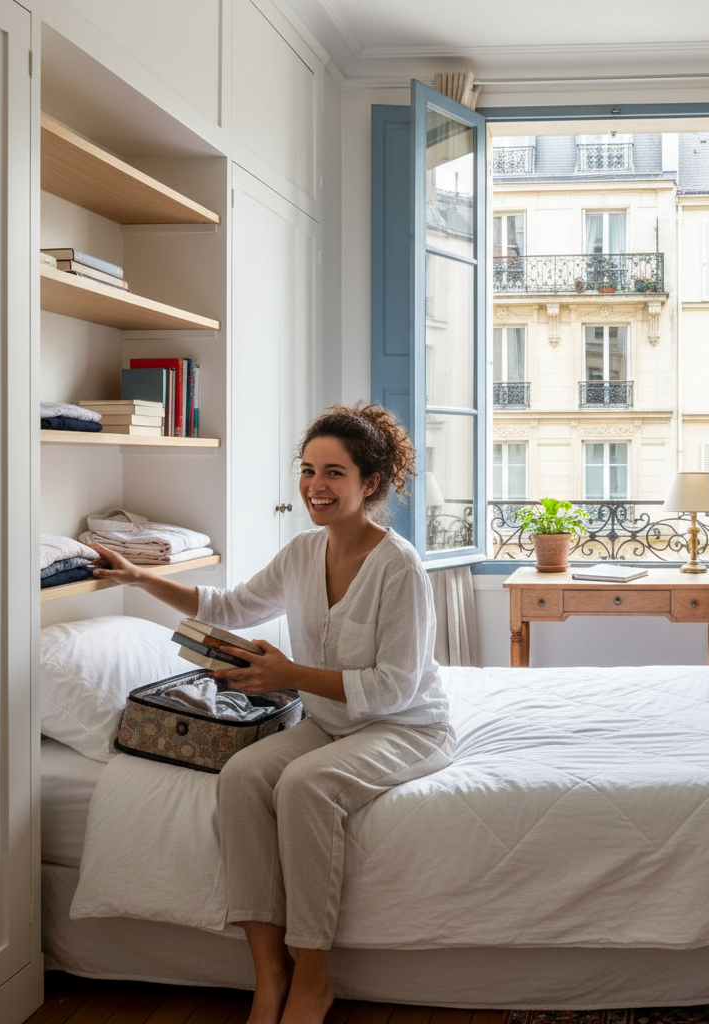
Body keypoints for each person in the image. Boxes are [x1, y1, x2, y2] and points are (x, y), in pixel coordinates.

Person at [88, 403, 454, 1024]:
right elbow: (227, 605)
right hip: (331, 724)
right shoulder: (302, 553)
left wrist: (288, 675)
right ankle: (269, 972)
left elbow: (395, 688)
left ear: (371, 484)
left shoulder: (401, 569)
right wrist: (139, 576)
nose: (316, 485)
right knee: (242, 778)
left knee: (307, 786)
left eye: (334, 473)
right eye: (308, 470)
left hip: (406, 729)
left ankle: (313, 976)